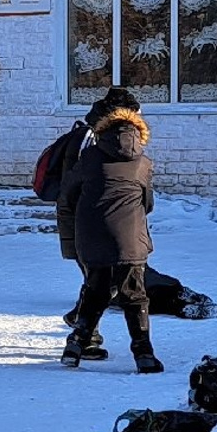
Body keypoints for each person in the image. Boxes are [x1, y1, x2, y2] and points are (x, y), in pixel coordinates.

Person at [61, 107, 162, 373]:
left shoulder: (89, 157)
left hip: (91, 236)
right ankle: (144, 355)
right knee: (135, 296)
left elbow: (70, 194)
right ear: (138, 134)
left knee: (95, 292)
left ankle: (75, 345)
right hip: (130, 238)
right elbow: (147, 203)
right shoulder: (143, 163)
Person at [48, 88, 135, 361]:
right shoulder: (91, 141)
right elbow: (74, 190)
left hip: (96, 223)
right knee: (98, 281)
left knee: (101, 281)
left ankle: (79, 319)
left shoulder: (100, 138)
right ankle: (86, 340)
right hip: (84, 223)